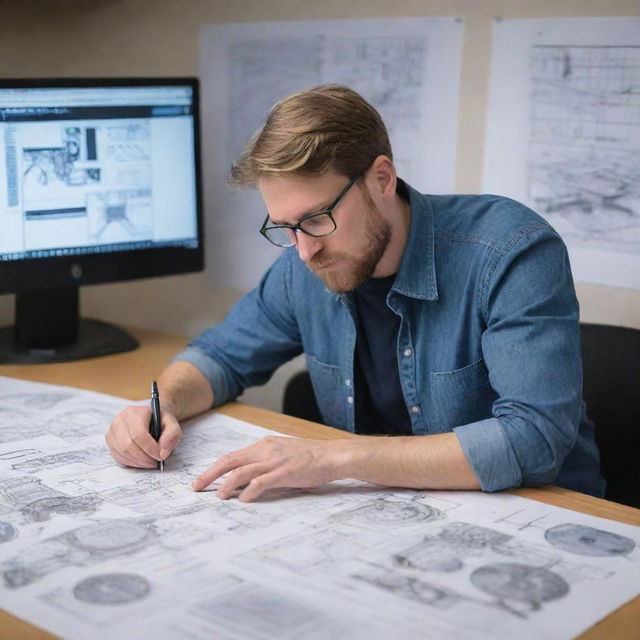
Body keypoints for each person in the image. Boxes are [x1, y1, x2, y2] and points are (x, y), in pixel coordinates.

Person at [105, 84, 603, 503]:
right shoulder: (305, 262)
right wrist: (161, 404)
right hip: (388, 514)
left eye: (318, 219)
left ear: (381, 179)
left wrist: (333, 458)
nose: (303, 252)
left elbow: (535, 439)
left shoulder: (509, 250)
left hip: (543, 517)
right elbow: (221, 356)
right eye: (285, 227)